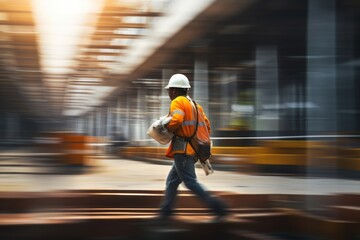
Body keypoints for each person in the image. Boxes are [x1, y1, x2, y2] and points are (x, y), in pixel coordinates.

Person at [158, 73, 228, 221]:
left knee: (190, 182)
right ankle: (166, 211)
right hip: (193, 150)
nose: (168, 93)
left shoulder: (177, 102)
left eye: (169, 90)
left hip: (183, 151)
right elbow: (207, 126)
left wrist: (164, 126)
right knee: (171, 181)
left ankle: (219, 207)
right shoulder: (196, 106)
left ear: (175, 91)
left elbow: (176, 120)